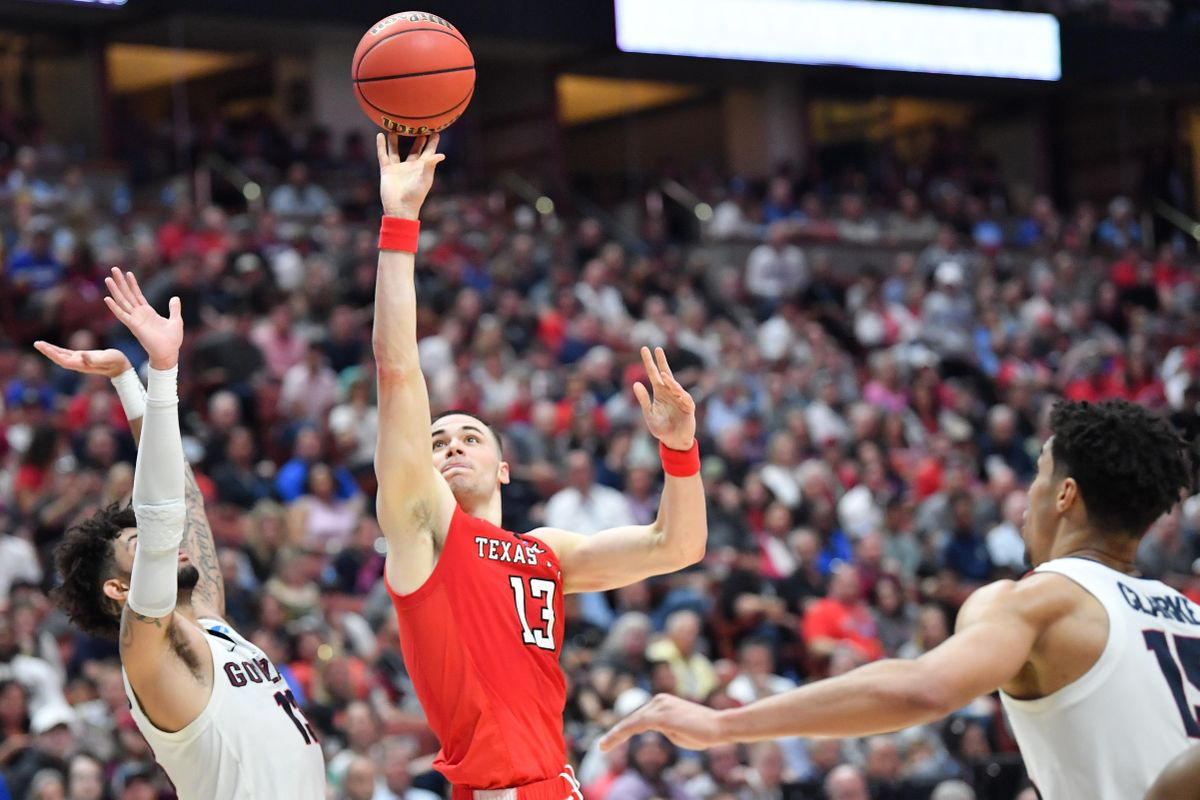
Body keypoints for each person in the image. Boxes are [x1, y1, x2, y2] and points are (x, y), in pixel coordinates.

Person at [602, 400, 1197, 800]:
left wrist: (723, 724)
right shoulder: (1190, 616)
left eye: (1039, 477)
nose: (1025, 498)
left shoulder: (1039, 601)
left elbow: (922, 688)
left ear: (1065, 495)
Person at [370, 132, 707, 798]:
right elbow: (398, 372)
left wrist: (679, 450)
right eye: (437, 441)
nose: (452, 446)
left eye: (471, 436)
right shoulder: (424, 532)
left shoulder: (544, 552)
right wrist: (400, 223)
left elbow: (679, 545)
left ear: (503, 468)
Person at [42, 268, 326, 799]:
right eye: (139, 549)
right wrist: (165, 372)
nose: (170, 548)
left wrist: (129, 381)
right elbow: (162, 518)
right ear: (119, 590)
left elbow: (183, 500)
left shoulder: (209, 619)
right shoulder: (149, 652)